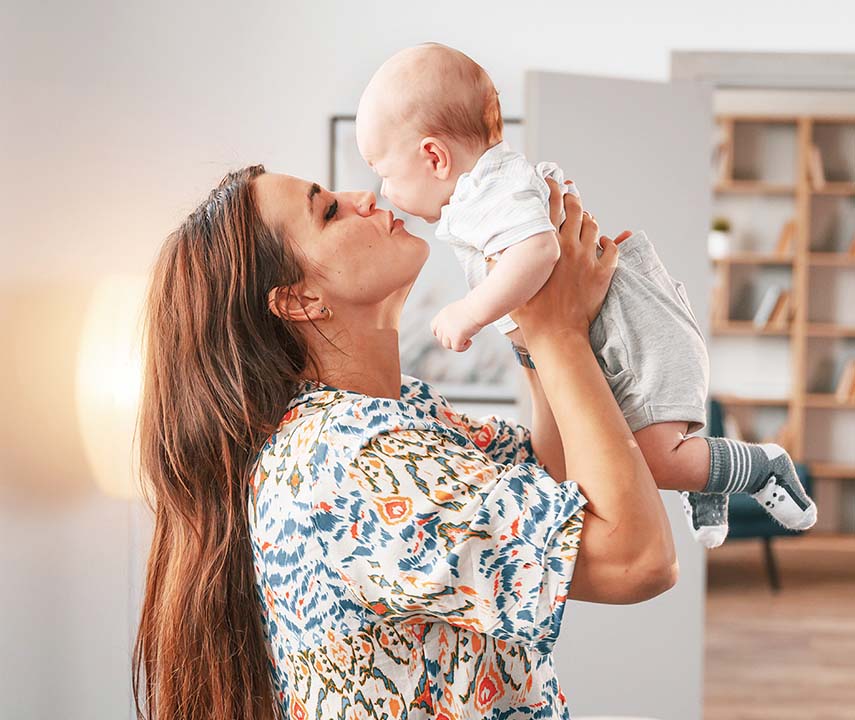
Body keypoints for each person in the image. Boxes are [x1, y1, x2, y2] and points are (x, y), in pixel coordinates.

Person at [133, 164, 677, 720]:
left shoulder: (400, 411)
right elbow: (636, 559)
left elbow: (554, 476)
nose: (361, 198)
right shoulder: (354, 461)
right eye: (327, 211)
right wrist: (556, 330)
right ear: (298, 301)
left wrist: (527, 314)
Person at [354, 42, 817, 549]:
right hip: (609, 334)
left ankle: (764, 466)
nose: (382, 191)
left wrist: (471, 312)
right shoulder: (480, 193)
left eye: (384, 172)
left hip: (634, 332)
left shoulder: (491, 193)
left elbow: (537, 253)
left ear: (434, 157)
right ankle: (706, 481)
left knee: (654, 458)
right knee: (635, 451)